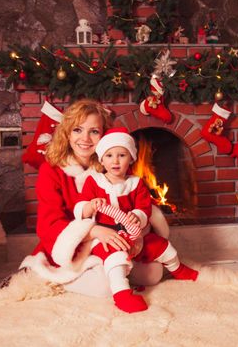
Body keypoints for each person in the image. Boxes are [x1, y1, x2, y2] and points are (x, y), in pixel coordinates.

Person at [19, 99, 170, 297]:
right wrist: (94, 231)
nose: (85, 138)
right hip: (74, 246)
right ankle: (54, 277)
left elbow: (136, 205)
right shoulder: (51, 170)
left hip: (115, 239)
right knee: (105, 287)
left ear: (104, 136)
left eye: (94, 131)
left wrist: (138, 233)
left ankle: (113, 269)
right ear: (67, 133)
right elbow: (50, 223)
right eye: (77, 130)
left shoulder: (113, 163)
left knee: (154, 274)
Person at [75, 128, 198, 313]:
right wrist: (91, 206)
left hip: (134, 233)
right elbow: (80, 209)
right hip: (107, 237)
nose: (115, 161)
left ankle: (177, 268)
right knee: (116, 257)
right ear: (101, 159)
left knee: (161, 245)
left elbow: (144, 208)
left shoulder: (136, 183)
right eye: (109, 155)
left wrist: (138, 216)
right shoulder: (95, 181)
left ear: (131, 158)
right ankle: (122, 294)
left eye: (122, 155)